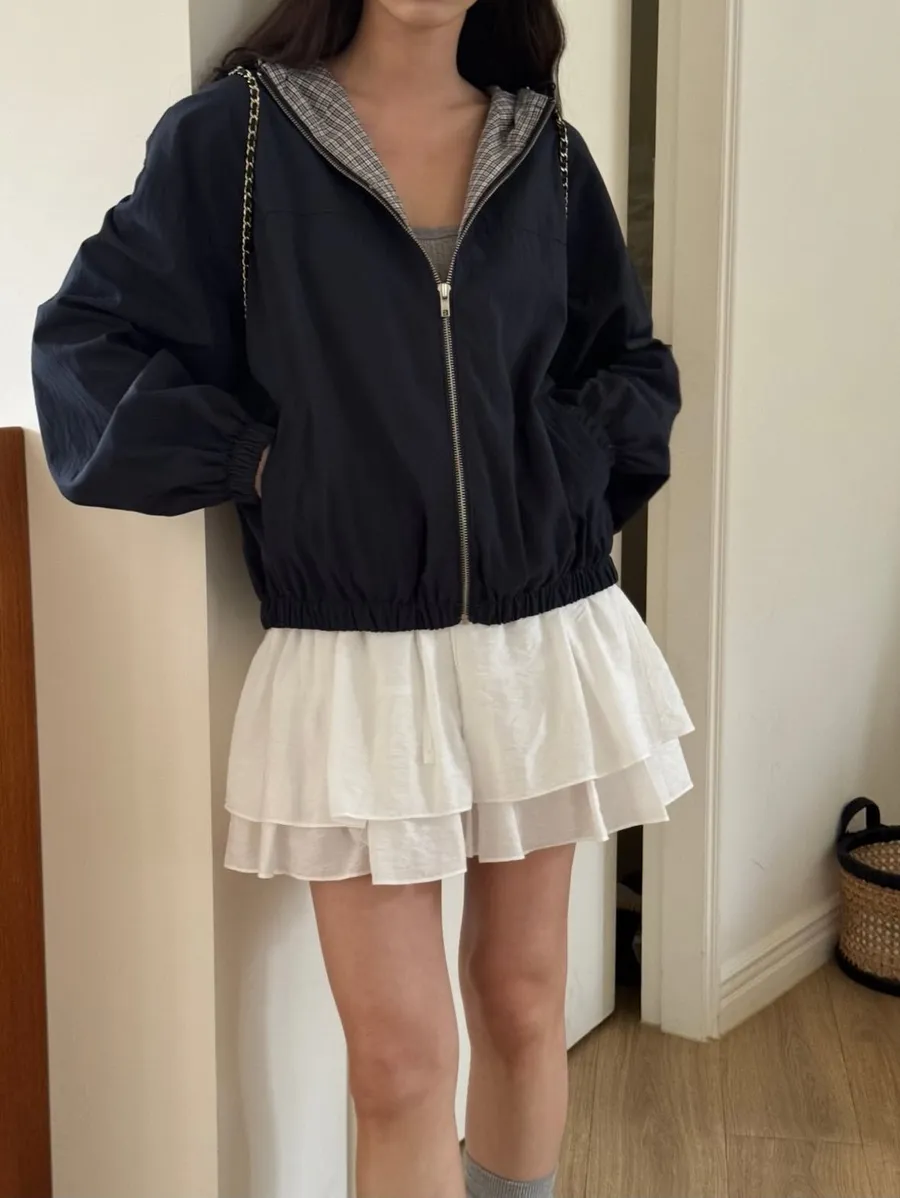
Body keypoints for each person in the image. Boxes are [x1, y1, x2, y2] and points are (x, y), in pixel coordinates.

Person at [32, 0, 693, 1194]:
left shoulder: (543, 153)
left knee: (523, 1000)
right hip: (355, 653)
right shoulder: (235, 140)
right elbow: (85, 349)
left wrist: (561, 467)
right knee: (397, 1064)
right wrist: (262, 463)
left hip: (539, 639)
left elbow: (629, 365)